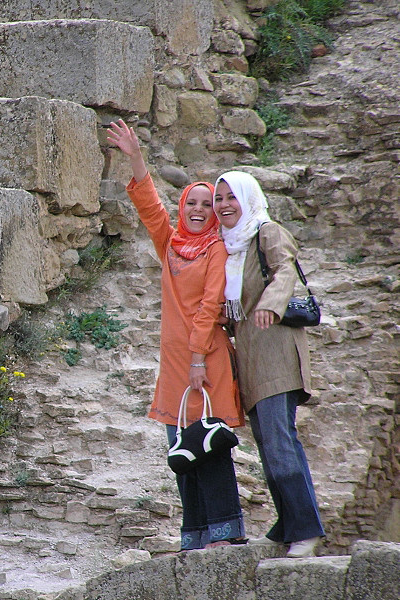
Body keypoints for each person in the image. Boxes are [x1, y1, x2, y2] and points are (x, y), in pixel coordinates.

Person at [107, 120, 246, 550]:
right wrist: (135, 156)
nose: (200, 209)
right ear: (183, 207)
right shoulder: (170, 244)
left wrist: (198, 359)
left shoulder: (216, 249)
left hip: (205, 360)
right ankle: (196, 533)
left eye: (208, 204)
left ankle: (224, 532)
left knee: (211, 442)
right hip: (173, 365)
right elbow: (150, 208)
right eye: (193, 203)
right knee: (182, 450)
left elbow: (209, 306)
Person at [213, 170, 324, 558]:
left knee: (279, 440)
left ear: (249, 197)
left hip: (276, 347)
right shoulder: (231, 245)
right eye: (219, 198)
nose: (225, 205)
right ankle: (286, 524)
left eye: (232, 197)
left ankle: (306, 530)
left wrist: (270, 305)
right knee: (267, 441)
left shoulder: (266, 231)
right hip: (251, 354)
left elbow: (286, 271)